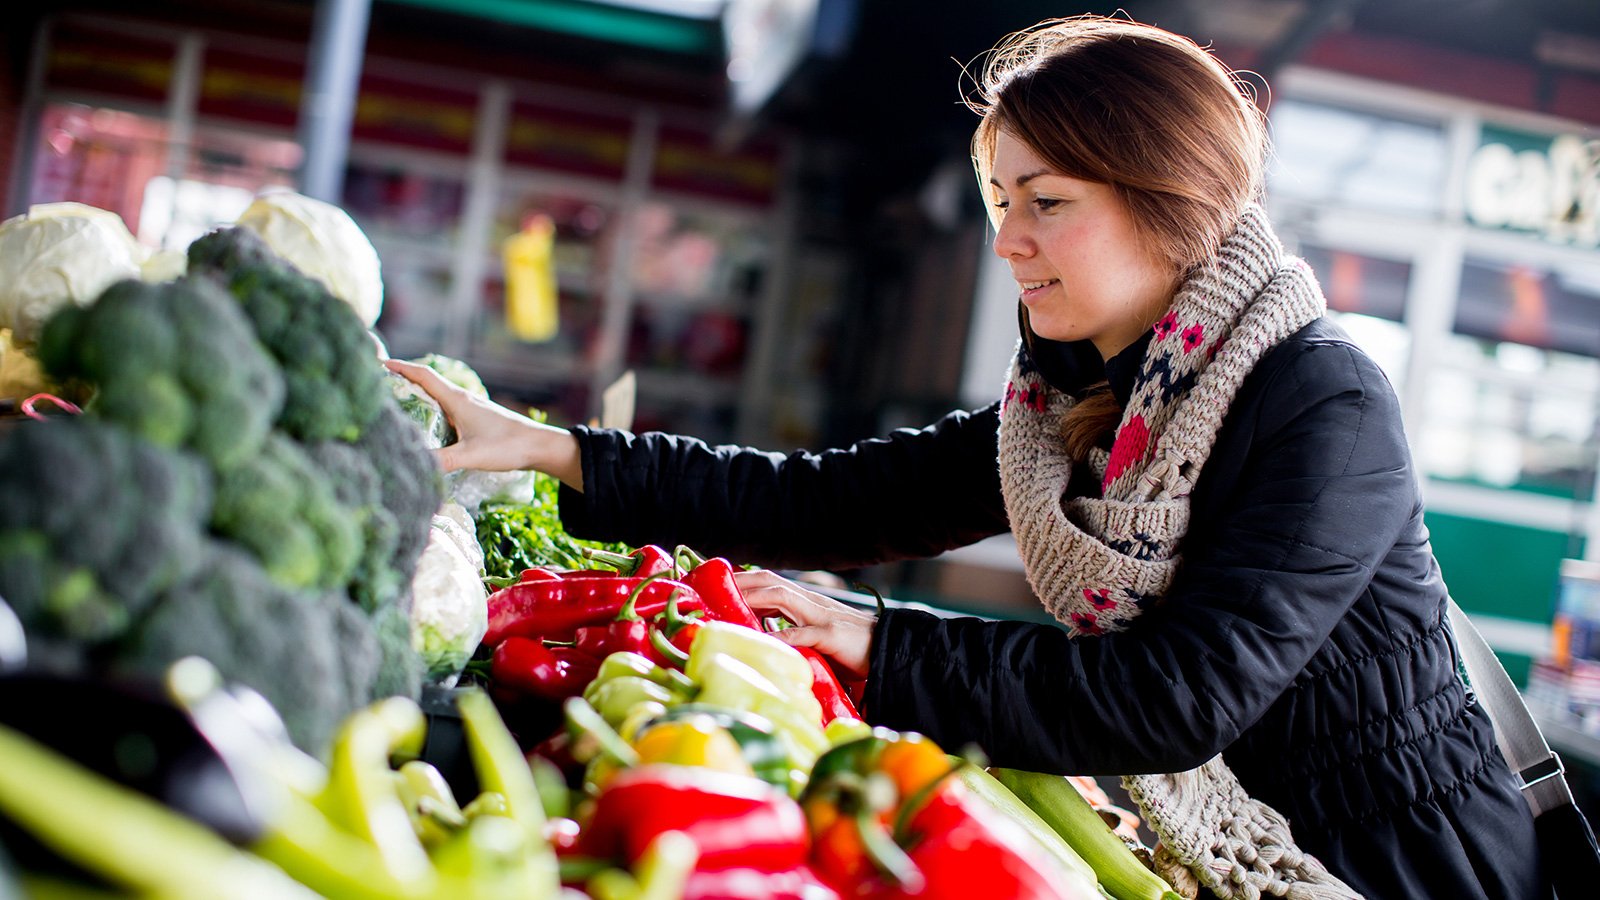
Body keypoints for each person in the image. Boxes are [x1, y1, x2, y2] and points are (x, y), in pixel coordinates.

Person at [389, 15, 1546, 899]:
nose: (1007, 240)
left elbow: (1178, 695)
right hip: (1219, 843)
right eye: (1000, 197)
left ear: (1167, 203)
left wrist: (881, 644)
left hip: (1398, 863)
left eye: (1044, 200)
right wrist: (557, 453)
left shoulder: (1321, 404)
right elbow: (835, 500)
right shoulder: (1075, 400)